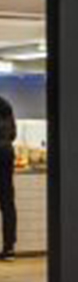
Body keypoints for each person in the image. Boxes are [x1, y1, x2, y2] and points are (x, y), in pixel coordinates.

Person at [0, 94, 15, 260]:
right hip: (7, 154)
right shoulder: (6, 104)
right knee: (7, 203)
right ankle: (9, 248)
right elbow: (13, 134)